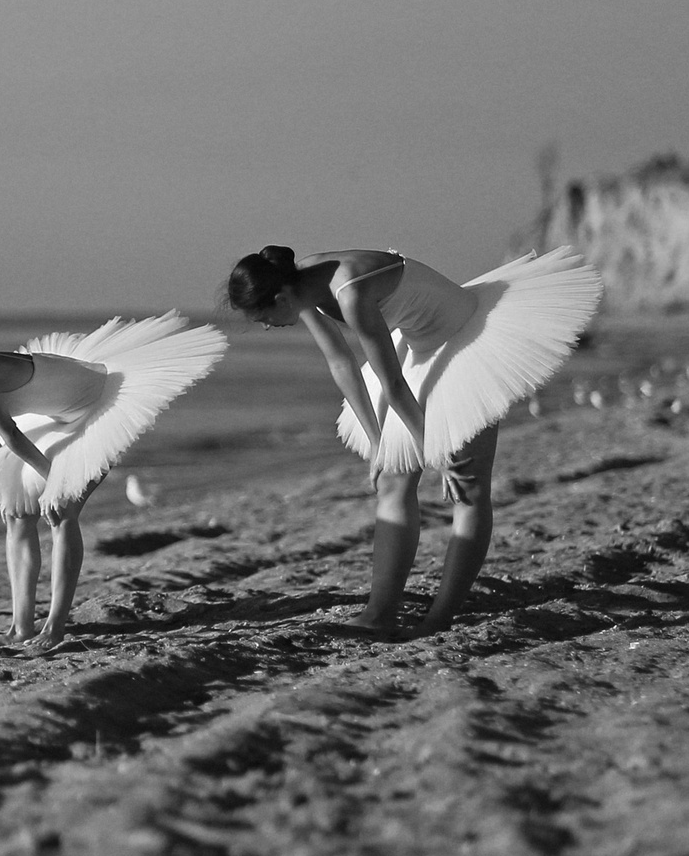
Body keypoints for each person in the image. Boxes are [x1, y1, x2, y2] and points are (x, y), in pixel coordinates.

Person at [226, 245, 601, 636]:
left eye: (264, 317)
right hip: (415, 343)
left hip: (464, 337)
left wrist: (438, 453)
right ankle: (379, 614)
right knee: (391, 477)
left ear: (281, 298)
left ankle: (439, 619)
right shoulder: (297, 284)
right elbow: (341, 362)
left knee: (466, 483)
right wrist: (376, 442)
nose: (267, 326)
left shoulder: (348, 291)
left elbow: (393, 385)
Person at [0, 315, 228, 651]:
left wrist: (55, 482)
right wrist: (11, 478)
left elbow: (8, 433)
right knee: (15, 513)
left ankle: (54, 627)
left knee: (60, 512)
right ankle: (20, 628)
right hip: (49, 413)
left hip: (91, 402)